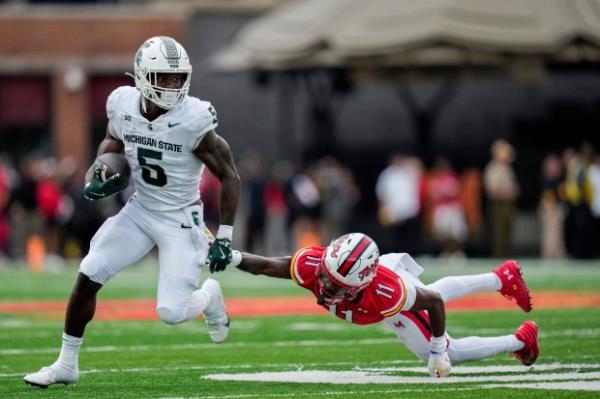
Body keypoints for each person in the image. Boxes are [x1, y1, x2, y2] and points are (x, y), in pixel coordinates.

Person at [24, 36, 241, 388]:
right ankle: (66, 364)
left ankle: (209, 295)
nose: (172, 86)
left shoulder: (195, 118)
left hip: (181, 218)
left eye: (177, 78)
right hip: (141, 209)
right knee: (89, 271)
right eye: (164, 78)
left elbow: (230, 175)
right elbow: (113, 140)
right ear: (142, 76)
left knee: (171, 312)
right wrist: (99, 167)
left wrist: (226, 236)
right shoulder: (122, 104)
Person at [229, 233, 539, 377]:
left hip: (393, 292)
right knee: (427, 291)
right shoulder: (316, 265)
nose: (323, 287)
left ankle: (521, 341)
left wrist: (437, 349)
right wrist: (231, 256)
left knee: (448, 353)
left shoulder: (387, 294)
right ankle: (501, 278)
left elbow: (434, 302)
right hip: (385, 279)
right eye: (325, 277)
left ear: (359, 283)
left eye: (335, 286)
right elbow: (267, 266)